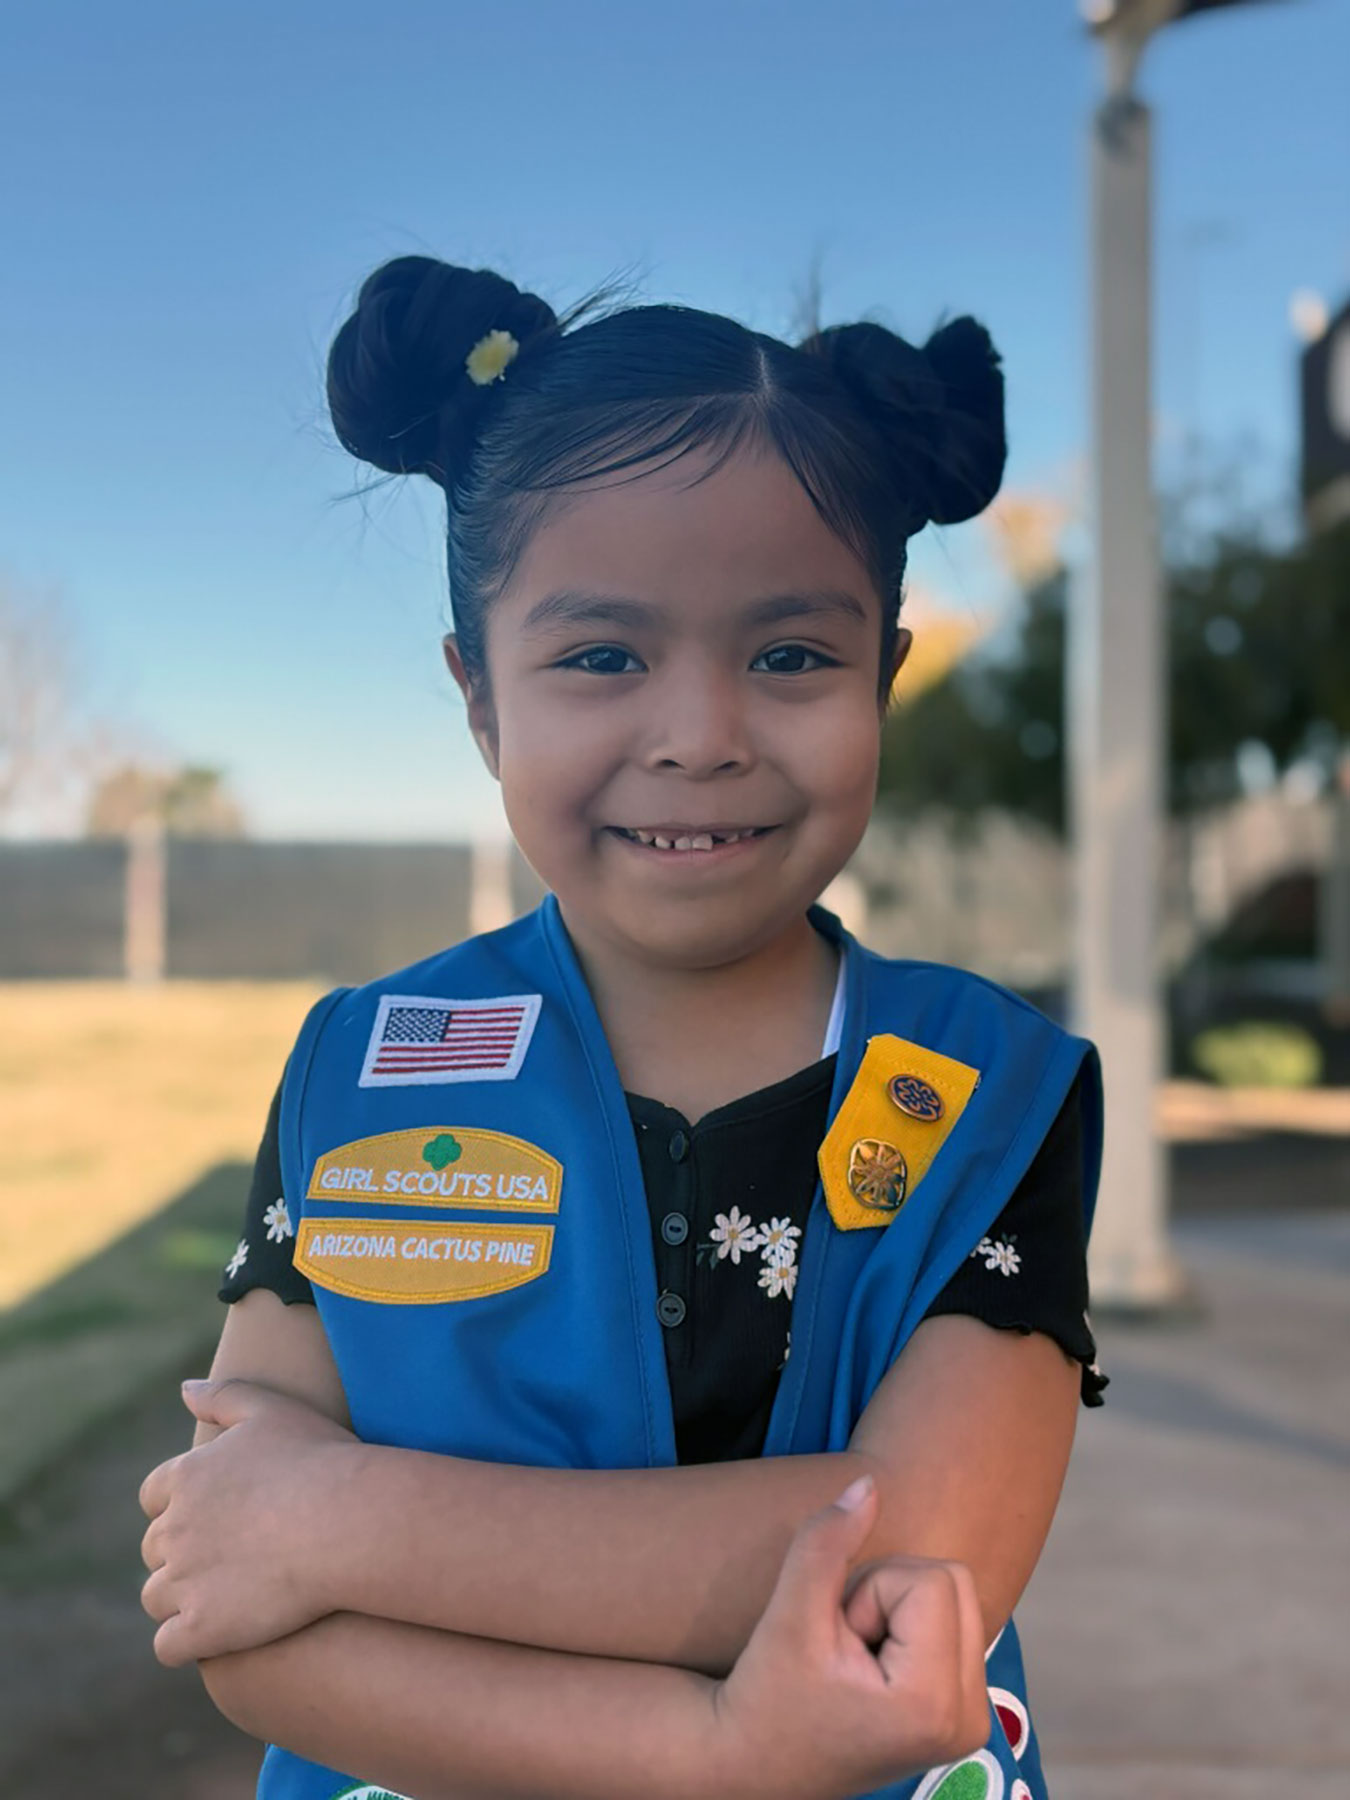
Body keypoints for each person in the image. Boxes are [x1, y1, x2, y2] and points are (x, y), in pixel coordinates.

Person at [138, 253, 1106, 1800]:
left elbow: (919, 1558)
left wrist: (348, 1521)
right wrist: (715, 1732)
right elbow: (233, 1608)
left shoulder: (991, 1093)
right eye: (601, 657)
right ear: (478, 698)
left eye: (791, 656)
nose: (700, 738)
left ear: (885, 677)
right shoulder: (359, 1067)